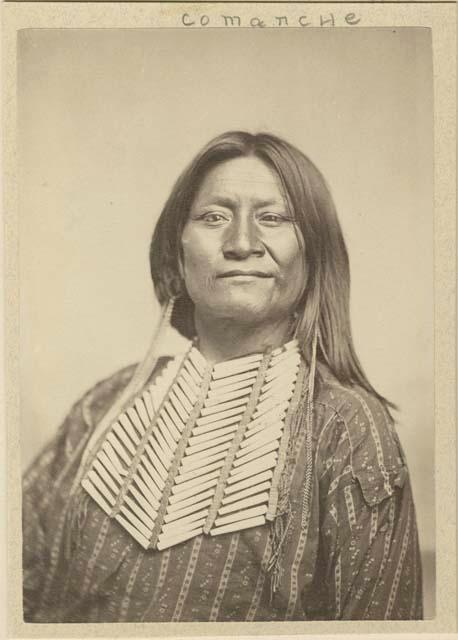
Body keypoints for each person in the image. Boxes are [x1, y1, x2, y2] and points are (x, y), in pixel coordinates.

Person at [22, 131, 423, 622]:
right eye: (214, 217)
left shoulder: (345, 429)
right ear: (178, 249)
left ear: (313, 252)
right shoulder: (103, 408)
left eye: (272, 218)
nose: (241, 243)